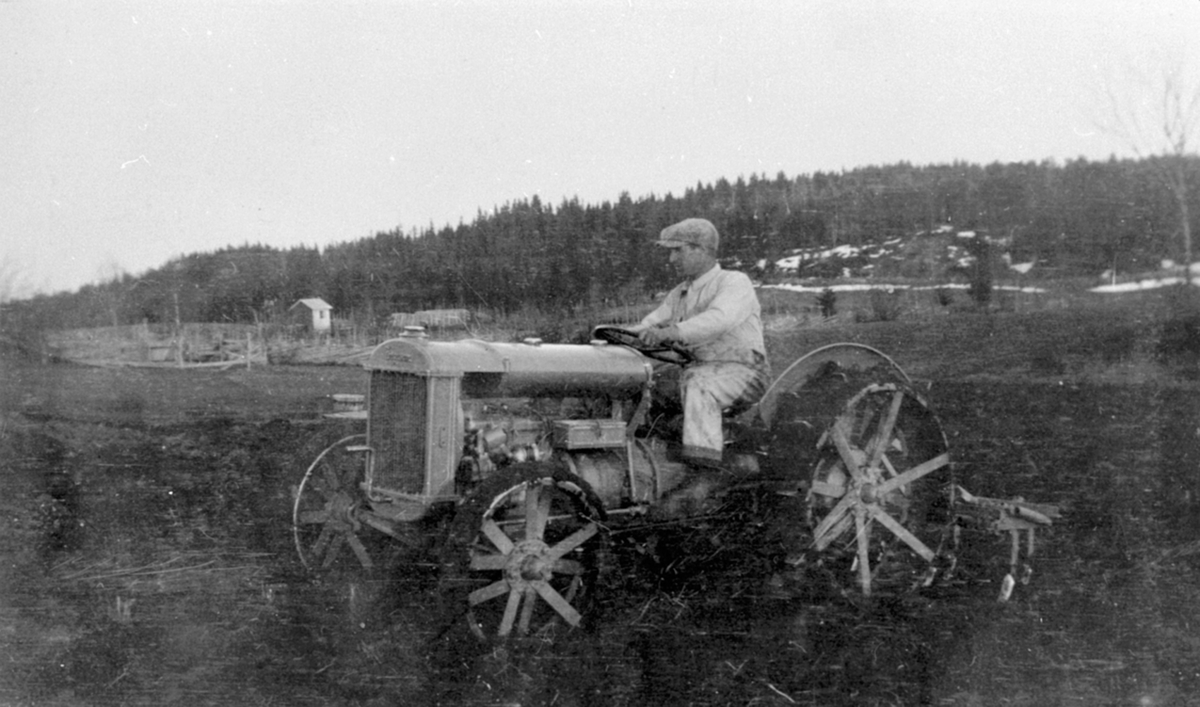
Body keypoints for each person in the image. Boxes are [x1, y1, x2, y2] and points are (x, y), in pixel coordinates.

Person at [628, 218, 770, 507]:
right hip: (700, 368)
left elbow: (720, 319)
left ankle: (705, 474)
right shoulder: (679, 293)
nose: (672, 259)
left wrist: (674, 332)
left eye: (677, 251)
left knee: (699, 384)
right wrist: (618, 337)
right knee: (641, 386)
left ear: (701, 250)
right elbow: (650, 324)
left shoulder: (733, 282)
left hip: (743, 371)